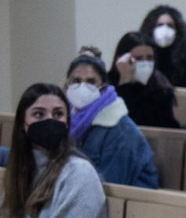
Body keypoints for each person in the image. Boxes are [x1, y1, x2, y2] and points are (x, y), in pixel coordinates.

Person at [0, 84, 109, 218]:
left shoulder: (80, 173)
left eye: (58, 114)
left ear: (67, 122)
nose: (49, 121)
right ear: (23, 123)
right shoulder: (20, 171)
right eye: (39, 114)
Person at [63, 49, 159, 187]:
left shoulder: (119, 127)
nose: (82, 86)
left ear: (102, 87)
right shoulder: (69, 119)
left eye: (91, 81)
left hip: (133, 201)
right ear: (67, 86)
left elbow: (110, 184)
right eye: (76, 81)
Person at [107, 31, 180, 129]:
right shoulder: (106, 85)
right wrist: (125, 82)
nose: (145, 63)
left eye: (149, 58)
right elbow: (118, 122)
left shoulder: (160, 88)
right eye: (138, 58)